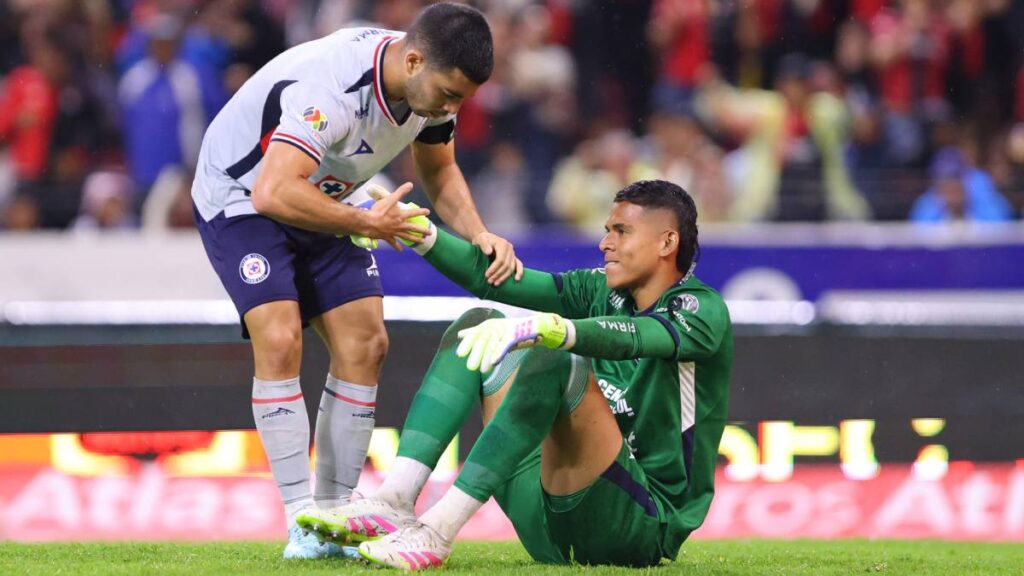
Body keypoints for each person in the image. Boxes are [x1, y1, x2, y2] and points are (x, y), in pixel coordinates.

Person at [190, 3, 521, 559]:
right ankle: (300, 519)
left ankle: (336, 519)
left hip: (328, 193)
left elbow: (439, 170)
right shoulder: (332, 91)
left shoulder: (428, 81)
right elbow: (274, 191)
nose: (451, 109)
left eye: (461, 99)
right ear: (412, 62)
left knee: (366, 343)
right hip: (243, 197)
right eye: (449, 94)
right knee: (280, 337)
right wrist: (367, 222)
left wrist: (480, 233)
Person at [301, 179, 733, 569]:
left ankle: (436, 531)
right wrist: (424, 236)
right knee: (475, 324)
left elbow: (638, 337)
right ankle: (394, 498)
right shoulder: (600, 289)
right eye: (607, 230)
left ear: (667, 242)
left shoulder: (701, 309)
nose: (606, 243)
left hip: (638, 524)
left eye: (622, 231)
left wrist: (551, 329)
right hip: (549, 521)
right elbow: (497, 281)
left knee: (556, 357)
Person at [910, 146, 1014, 223]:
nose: (952, 185)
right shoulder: (926, 207)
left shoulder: (988, 200)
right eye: (945, 179)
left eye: (956, 177)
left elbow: (1002, 232)